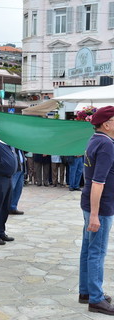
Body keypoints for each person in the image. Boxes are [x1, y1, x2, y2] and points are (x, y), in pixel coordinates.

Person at [79, 106, 114, 315]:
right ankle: (96, 299)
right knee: (97, 251)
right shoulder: (107, 144)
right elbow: (97, 182)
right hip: (100, 206)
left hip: (91, 204)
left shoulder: (96, 140)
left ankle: (86, 291)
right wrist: (94, 214)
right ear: (107, 124)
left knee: (87, 249)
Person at [9, 148, 26, 215]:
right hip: (15, 169)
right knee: (11, 189)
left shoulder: (20, 147)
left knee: (18, 190)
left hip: (21, 168)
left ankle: (13, 207)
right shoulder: (11, 146)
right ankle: (6, 207)